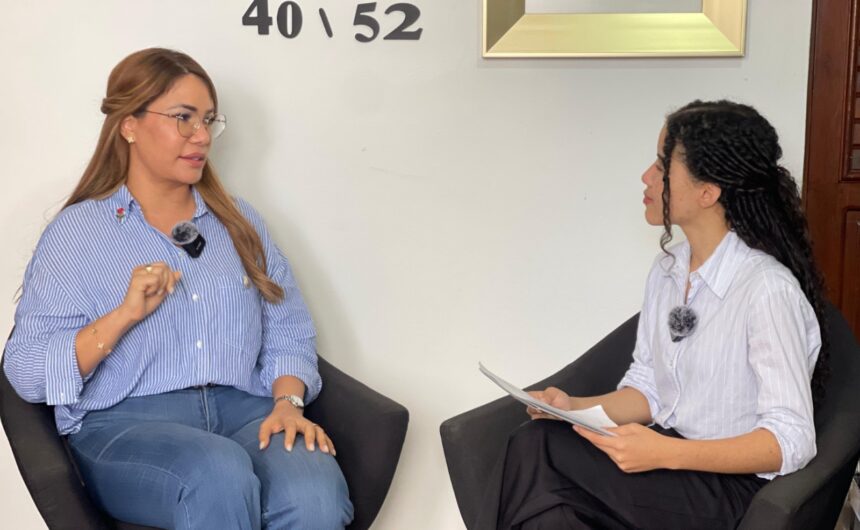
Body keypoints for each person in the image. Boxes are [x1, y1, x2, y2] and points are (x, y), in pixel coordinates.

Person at [3, 48, 353, 530]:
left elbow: (289, 328)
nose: (202, 136)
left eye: (208, 120)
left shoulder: (240, 223)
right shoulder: (75, 234)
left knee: (315, 493)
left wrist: (288, 404)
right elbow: (26, 371)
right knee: (215, 474)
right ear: (129, 124)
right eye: (183, 118)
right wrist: (123, 315)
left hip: (247, 412)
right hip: (126, 423)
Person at [484, 100, 827, 530]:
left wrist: (666, 453)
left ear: (708, 192)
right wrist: (571, 407)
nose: (647, 176)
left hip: (729, 489)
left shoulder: (766, 290)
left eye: (663, 166)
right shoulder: (669, 270)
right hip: (671, 463)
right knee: (545, 471)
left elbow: (791, 440)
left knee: (541, 453)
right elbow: (650, 389)